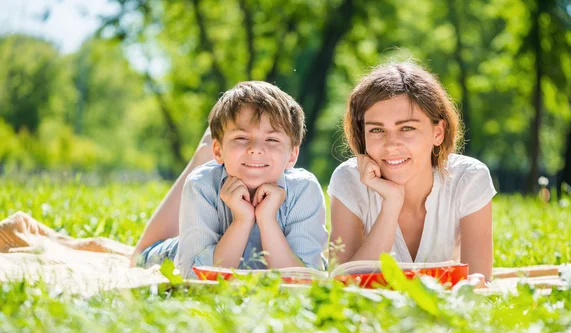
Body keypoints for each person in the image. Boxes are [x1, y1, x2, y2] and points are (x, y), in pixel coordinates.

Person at [132, 81, 328, 279]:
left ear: (292, 155)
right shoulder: (201, 185)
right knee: (138, 258)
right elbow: (195, 278)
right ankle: (203, 154)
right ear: (217, 151)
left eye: (272, 139)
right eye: (242, 138)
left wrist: (267, 220)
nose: (256, 148)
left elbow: (304, 279)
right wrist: (242, 221)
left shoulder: (304, 189)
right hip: (182, 251)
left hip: (241, 251)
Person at [328, 61, 496, 280]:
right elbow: (342, 285)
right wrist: (391, 203)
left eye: (407, 128)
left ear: (438, 132)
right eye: (377, 130)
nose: (391, 144)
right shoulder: (348, 180)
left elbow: (478, 283)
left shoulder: (469, 179)